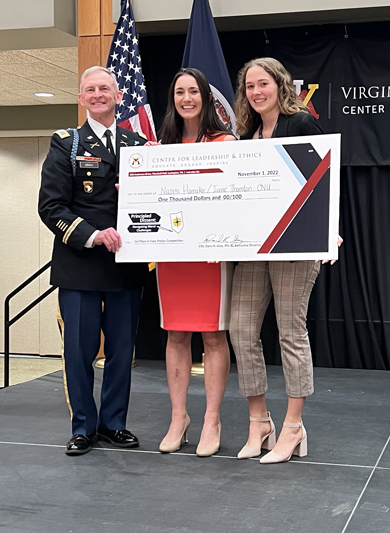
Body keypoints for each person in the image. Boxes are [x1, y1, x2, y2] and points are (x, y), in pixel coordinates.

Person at [230, 57, 338, 464]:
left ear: (280, 85)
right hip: (255, 247)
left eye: (264, 84)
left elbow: (322, 180)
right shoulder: (247, 135)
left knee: (290, 332)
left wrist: (329, 229)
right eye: (250, 87)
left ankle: (293, 428)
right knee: (241, 329)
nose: (257, 92)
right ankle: (260, 422)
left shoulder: (301, 124)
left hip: (295, 247)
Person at [38, 66, 148, 456]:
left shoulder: (137, 145)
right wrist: (93, 235)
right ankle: (83, 427)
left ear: (118, 96)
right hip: (80, 266)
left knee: (122, 353)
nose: (98, 94)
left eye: (105, 88)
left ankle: (114, 424)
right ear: (81, 98)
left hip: (126, 267)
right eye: (90, 89)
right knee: (79, 352)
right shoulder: (65, 143)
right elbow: (50, 206)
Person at [151, 68, 237, 457]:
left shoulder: (226, 141)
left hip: (210, 255)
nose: (187, 98)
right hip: (171, 255)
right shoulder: (158, 147)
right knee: (176, 334)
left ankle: (212, 419)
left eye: (193, 91)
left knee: (214, 336)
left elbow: (237, 197)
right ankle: (178, 418)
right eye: (179, 92)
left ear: (206, 96)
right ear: (173, 99)